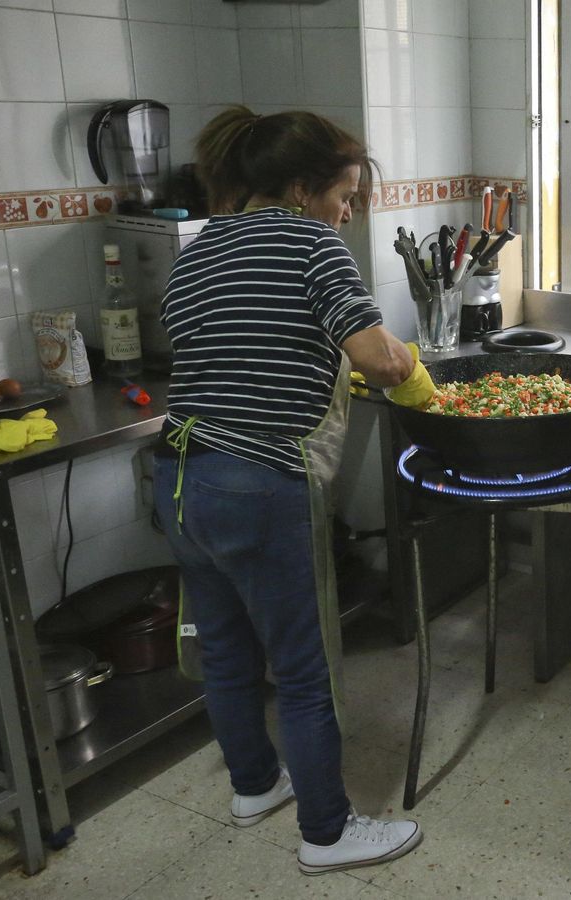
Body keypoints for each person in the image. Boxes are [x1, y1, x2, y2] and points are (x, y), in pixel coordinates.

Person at [153, 105, 435, 875]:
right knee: (305, 668)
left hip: (180, 477)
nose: (347, 215)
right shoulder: (310, 243)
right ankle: (328, 831)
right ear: (305, 188)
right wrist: (415, 372)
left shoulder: (199, 248)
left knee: (226, 649)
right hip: (257, 483)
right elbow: (376, 360)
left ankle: (253, 786)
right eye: (345, 197)